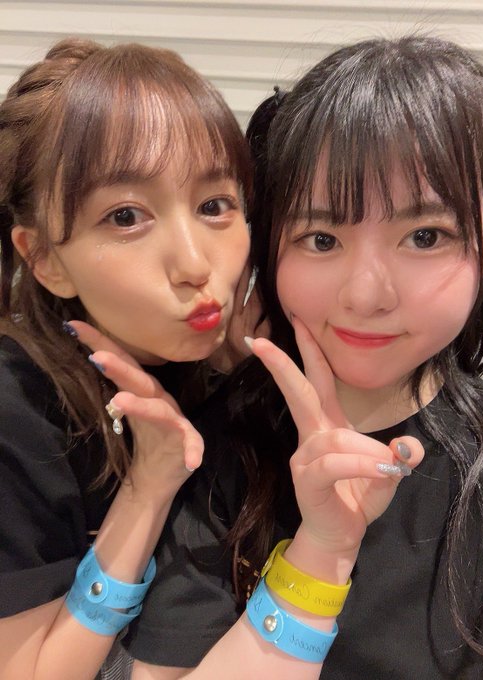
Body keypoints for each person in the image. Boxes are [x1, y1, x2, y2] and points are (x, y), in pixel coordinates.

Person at [122, 36, 483, 679]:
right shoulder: (216, 447)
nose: (366, 295)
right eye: (322, 238)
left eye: (425, 236)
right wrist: (324, 552)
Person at [0, 37, 253, 679]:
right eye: (125, 217)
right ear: (44, 259)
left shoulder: (208, 360)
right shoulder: (18, 413)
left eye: (214, 205)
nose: (194, 264)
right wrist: (149, 485)